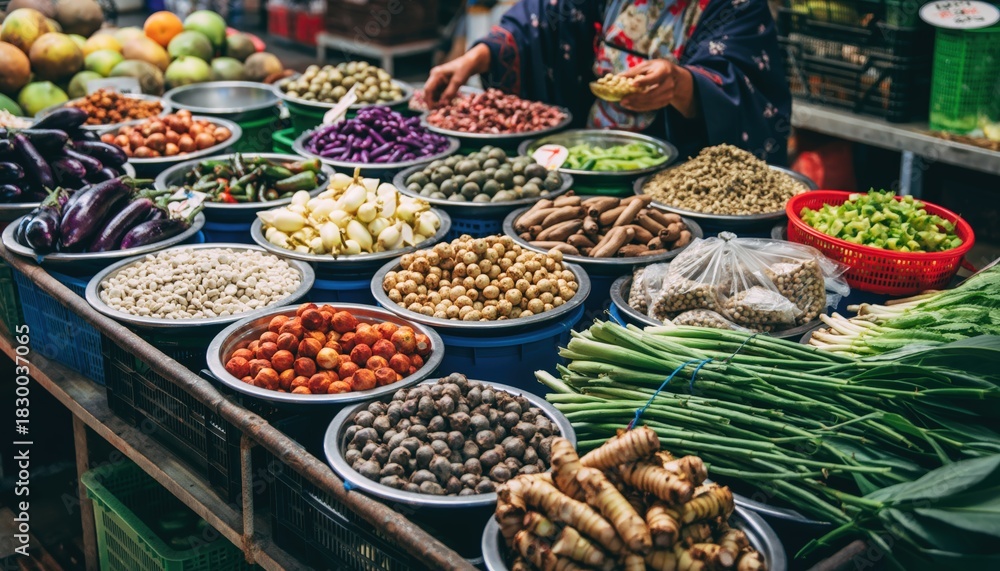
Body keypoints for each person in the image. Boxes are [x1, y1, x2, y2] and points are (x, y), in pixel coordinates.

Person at [424, 0, 792, 165]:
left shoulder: (738, 7)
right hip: (586, 150)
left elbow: (748, 88)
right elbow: (540, 19)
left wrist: (681, 85)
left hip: (674, 173)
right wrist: (476, 57)